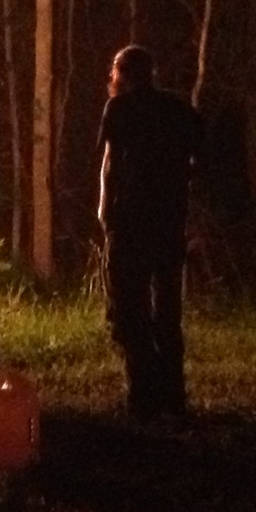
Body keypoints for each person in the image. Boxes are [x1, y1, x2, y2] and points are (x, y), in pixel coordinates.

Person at [98, 44, 202, 420]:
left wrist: (105, 212)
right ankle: (172, 396)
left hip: (130, 224)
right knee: (167, 312)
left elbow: (111, 165)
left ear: (123, 74)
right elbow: (199, 158)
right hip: (167, 223)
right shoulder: (177, 110)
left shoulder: (120, 109)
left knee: (131, 310)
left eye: (114, 71)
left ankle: (144, 395)